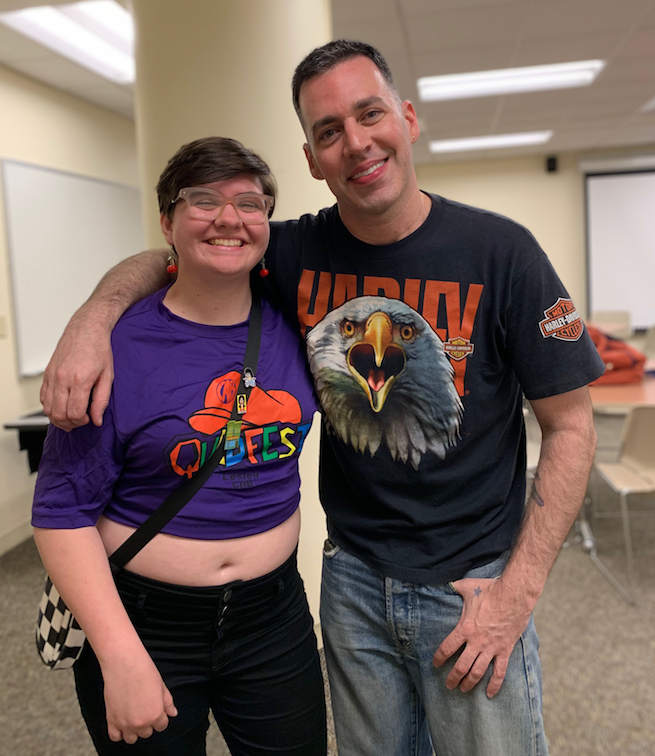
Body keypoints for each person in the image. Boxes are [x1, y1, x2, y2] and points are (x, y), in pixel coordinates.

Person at [40, 41, 605, 756]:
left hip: (470, 586)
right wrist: (93, 319)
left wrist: (516, 596)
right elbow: (184, 253)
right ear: (312, 158)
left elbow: (571, 425)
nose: (355, 142)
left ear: (406, 118)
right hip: (352, 581)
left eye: (369, 114)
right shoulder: (289, 254)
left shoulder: (503, 253)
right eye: (328, 130)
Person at [32, 136, 327, 756]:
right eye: (202, 201)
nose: (229, 219)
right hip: (144, 623)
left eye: (250, 203)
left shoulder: (297, 320)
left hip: (273, 616)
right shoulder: (117, 348)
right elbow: (62, 513)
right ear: (167, 222)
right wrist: (120, 656)